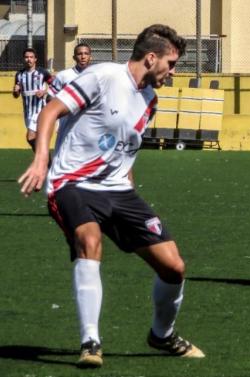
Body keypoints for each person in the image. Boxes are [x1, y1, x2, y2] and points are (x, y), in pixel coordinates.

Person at [17, 24, 204, 368]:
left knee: (174, 267)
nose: (174, 72)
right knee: (89, 240)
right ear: (151, 58)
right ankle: (91, 341)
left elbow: (124, 151)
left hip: (118, 191)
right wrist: (42, 160)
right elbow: (49, 112)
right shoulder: (103, 76)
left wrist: (129, 194)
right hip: (72, 184)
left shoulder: (150, 100)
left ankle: (161, 335)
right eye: (172, 63)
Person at [12, 47, 53, 152]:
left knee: (30, 137)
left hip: (40, 110)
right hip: (27, 112)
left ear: (35, 59)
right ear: (23, 59)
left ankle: (43, 160)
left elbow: (55, 85)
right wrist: (16, 91)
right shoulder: (19, 75)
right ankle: (44, 162)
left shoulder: (42, 73)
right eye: (26, 57)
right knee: (36, 139)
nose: (29, 59)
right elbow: (16, 95)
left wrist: (44, 91)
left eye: (31, 57)